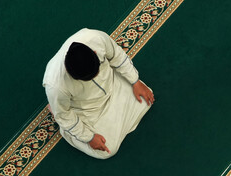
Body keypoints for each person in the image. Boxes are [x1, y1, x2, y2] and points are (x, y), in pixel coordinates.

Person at [43, 28, 154, 159]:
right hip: (89, 110)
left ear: (94, 52)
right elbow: (65, 115)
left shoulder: (95, 38)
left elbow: (116, 56)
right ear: (69, 73)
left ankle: (114, 121)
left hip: (113, 85)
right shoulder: (55, 85)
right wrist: (89, 138)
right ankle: (57, 114)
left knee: (146, 100)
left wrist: (135, 81)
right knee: (107, 150)